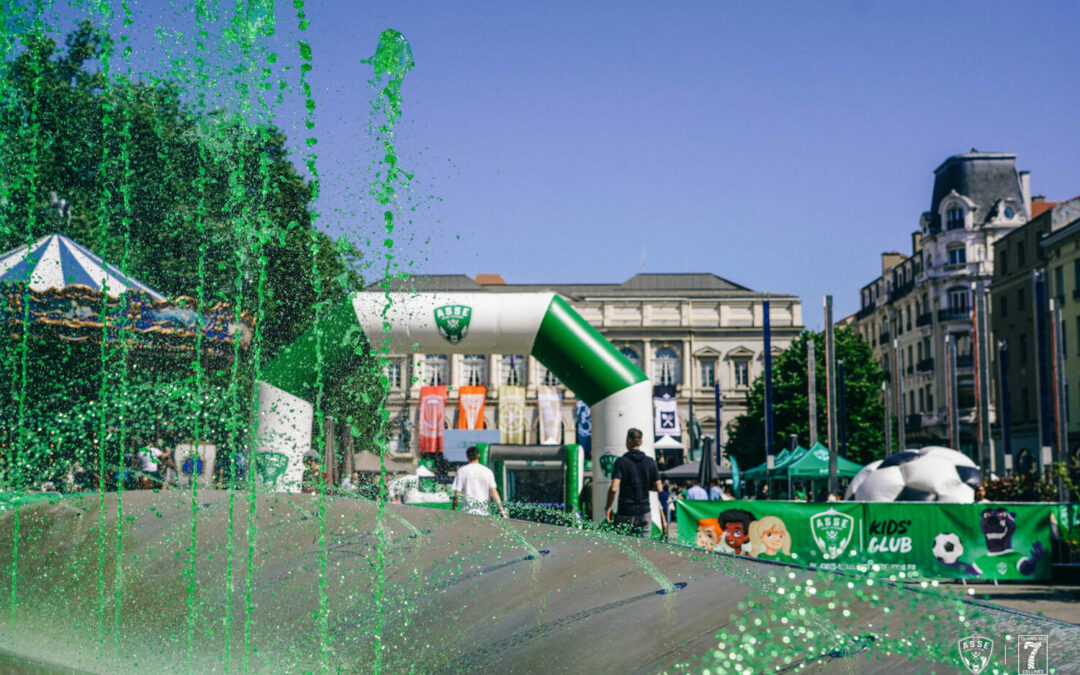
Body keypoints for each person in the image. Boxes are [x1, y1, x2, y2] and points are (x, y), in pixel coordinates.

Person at [604, 428, 663, 538]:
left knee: (624, 549)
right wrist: (643, 485)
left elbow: (613, 488)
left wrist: (608, 508)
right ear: (641, 442)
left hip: (625, 511)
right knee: (644, 548)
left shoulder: (621, 462)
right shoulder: (650, 462)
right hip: (644, 511)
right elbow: (659, 488)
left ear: (629, 440)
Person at [452, 446, 507, 517]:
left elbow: (457, 493)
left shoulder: (462, 471)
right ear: (478, 455)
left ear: (467, 457)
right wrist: (502, 511)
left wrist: (453, 508)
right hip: (483, 513)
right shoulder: (487, 471)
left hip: (467, 513)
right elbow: (493, 492)